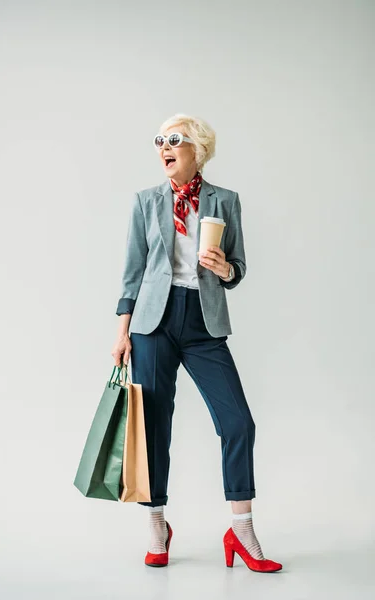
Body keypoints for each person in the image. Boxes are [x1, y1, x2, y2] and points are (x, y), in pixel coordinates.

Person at [111, 113, 282, 572]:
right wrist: (122, 332)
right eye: (159, 141)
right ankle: (156, 524)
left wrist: (225, 268)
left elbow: (237, 268)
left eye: (175, 140)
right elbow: (132, 271)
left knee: (238, 422)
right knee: (153, 428)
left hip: (204, 323)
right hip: (154, 323)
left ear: (197, 149)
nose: (164, 148)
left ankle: (241, 529)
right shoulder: (146, 202)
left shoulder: (225, 200)